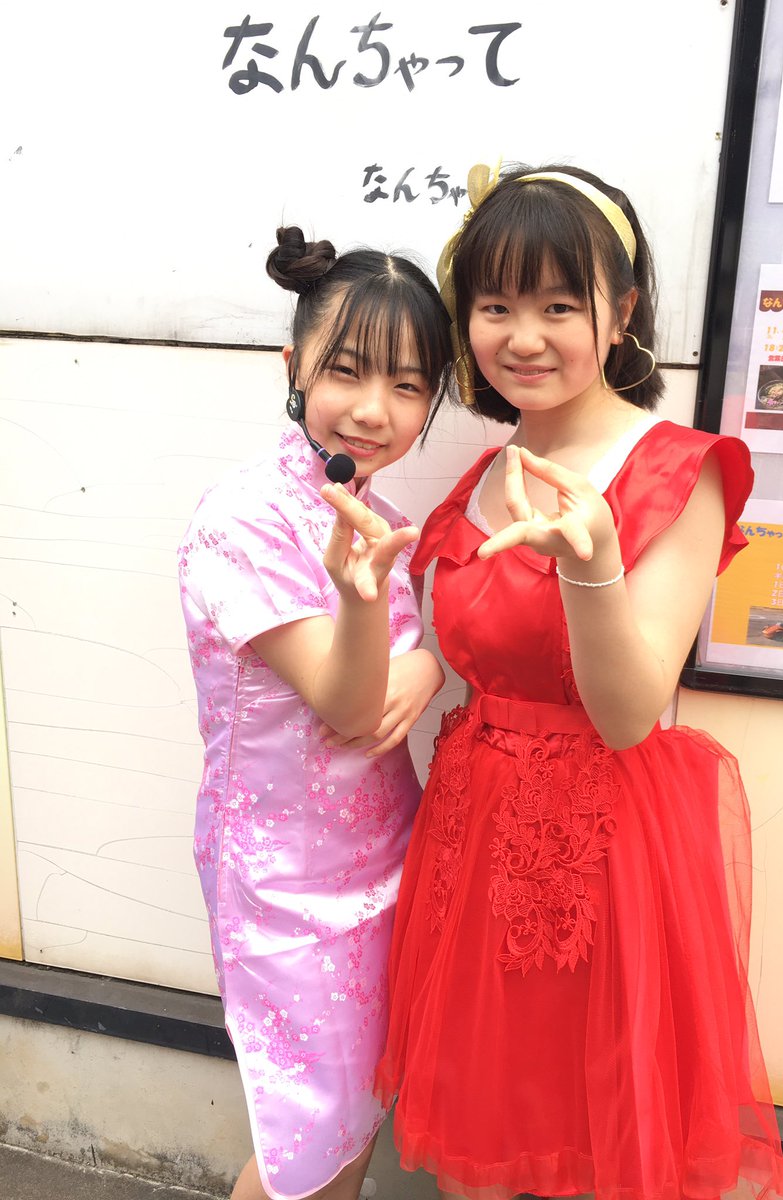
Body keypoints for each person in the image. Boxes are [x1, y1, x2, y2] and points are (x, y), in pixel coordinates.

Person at [375, 165, 783, 1200]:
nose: (524, 337)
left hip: (607, 854)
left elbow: (626, 712)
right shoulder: (481, 478)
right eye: (495, 307)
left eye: (560, 306)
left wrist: (593, 564)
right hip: (470, 840)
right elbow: (467, 650)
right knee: (478, 1137)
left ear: (622, 311)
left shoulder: (680, 468)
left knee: (600, 1142)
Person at [178, 226, 453, 1200]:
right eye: (347, 371)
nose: (375, 410)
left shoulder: (376, 514)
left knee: (358, 1113)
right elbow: (344, 699)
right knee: (306, 1142)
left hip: (386, 857)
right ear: (293, 366)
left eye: (409, 386)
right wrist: (368, 605)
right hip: (286, 885)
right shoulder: (241, 520)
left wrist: (426, 667)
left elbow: (400, 667)